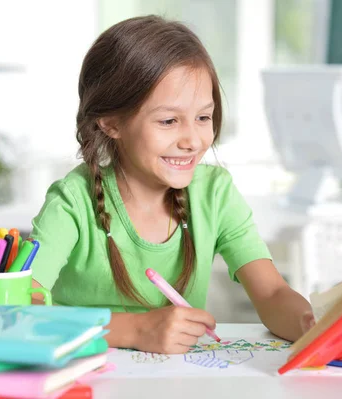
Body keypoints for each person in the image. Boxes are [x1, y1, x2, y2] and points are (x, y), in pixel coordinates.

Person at [29, 15, 315, 353]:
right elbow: (23, 307)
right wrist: (134, 330)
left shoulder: (215, 194)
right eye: (168, 121)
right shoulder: (72, 200)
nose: (193, 140)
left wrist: (311, 324)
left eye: (203, 118)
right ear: (111, 123)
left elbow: (271, 294)